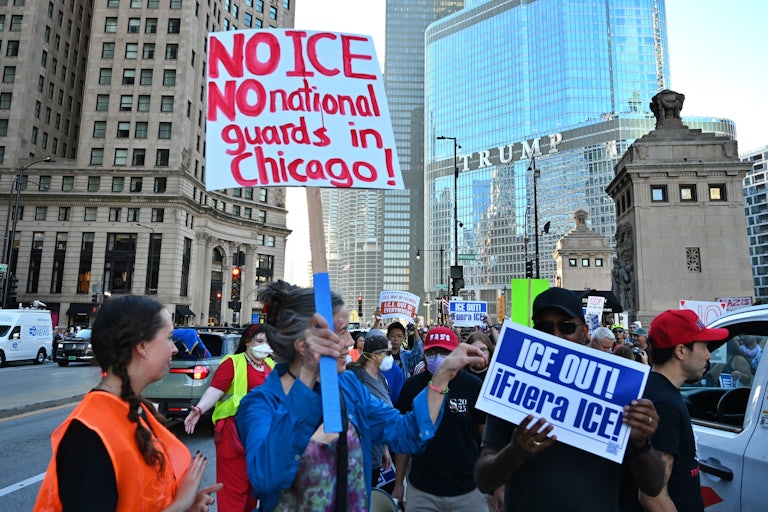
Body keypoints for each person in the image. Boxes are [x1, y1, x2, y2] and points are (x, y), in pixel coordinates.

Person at [235, 280, 487, 512]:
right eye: (343, 331)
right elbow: (267, 475)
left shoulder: (349, 388)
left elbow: (407, 433)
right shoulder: (261, 404)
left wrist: (442, 376)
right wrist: (308, 377)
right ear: (304, 346)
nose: (352, 341)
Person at [474, 287, 664, 511]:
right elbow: (484, 479)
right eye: (544, 327)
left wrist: (641, 443)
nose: (555, 335)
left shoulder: (617, 392)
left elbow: (653, 486)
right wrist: (515, 451)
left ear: (584, 332)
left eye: (566, 326)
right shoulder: (512, 387)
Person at [34, 296, 222, 511]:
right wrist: (179, 506)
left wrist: (179, 503)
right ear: (142, 346)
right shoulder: (88, 433)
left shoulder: (136, 410)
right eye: (169, 338)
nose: (175, 349)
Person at [623, 309, 730, 512]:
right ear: (681, 351)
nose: (709, 355)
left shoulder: (657, 391)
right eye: (704, 346)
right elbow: (654, 498)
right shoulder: (663, 404)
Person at [393, 326, 487, 511]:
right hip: (422, 492)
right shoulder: (411, 387)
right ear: (424, 354)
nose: (438, 358)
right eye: (432, 352)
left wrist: (491, 482)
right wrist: (398, 483)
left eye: (444, 352)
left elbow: (485, 439)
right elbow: (403, 440)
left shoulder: (473, 386)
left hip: (468, 491)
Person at [183, 323, 273, 511]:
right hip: (233, 434)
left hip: (260, 437)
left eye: (268, 342)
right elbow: (215, 391)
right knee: (233, 491)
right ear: (247, 341)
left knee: (253, 491)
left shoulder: (271, 366)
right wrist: (199, 410)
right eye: (260, 341)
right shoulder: (233, 362)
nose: (265, 346)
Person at [346, 333, 396, 493]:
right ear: (374, 356)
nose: (390, 356)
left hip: (377, 452)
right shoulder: (356, 377)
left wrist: (385, 449)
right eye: (386, 353)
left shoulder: (381, 379)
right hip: (359, 453)